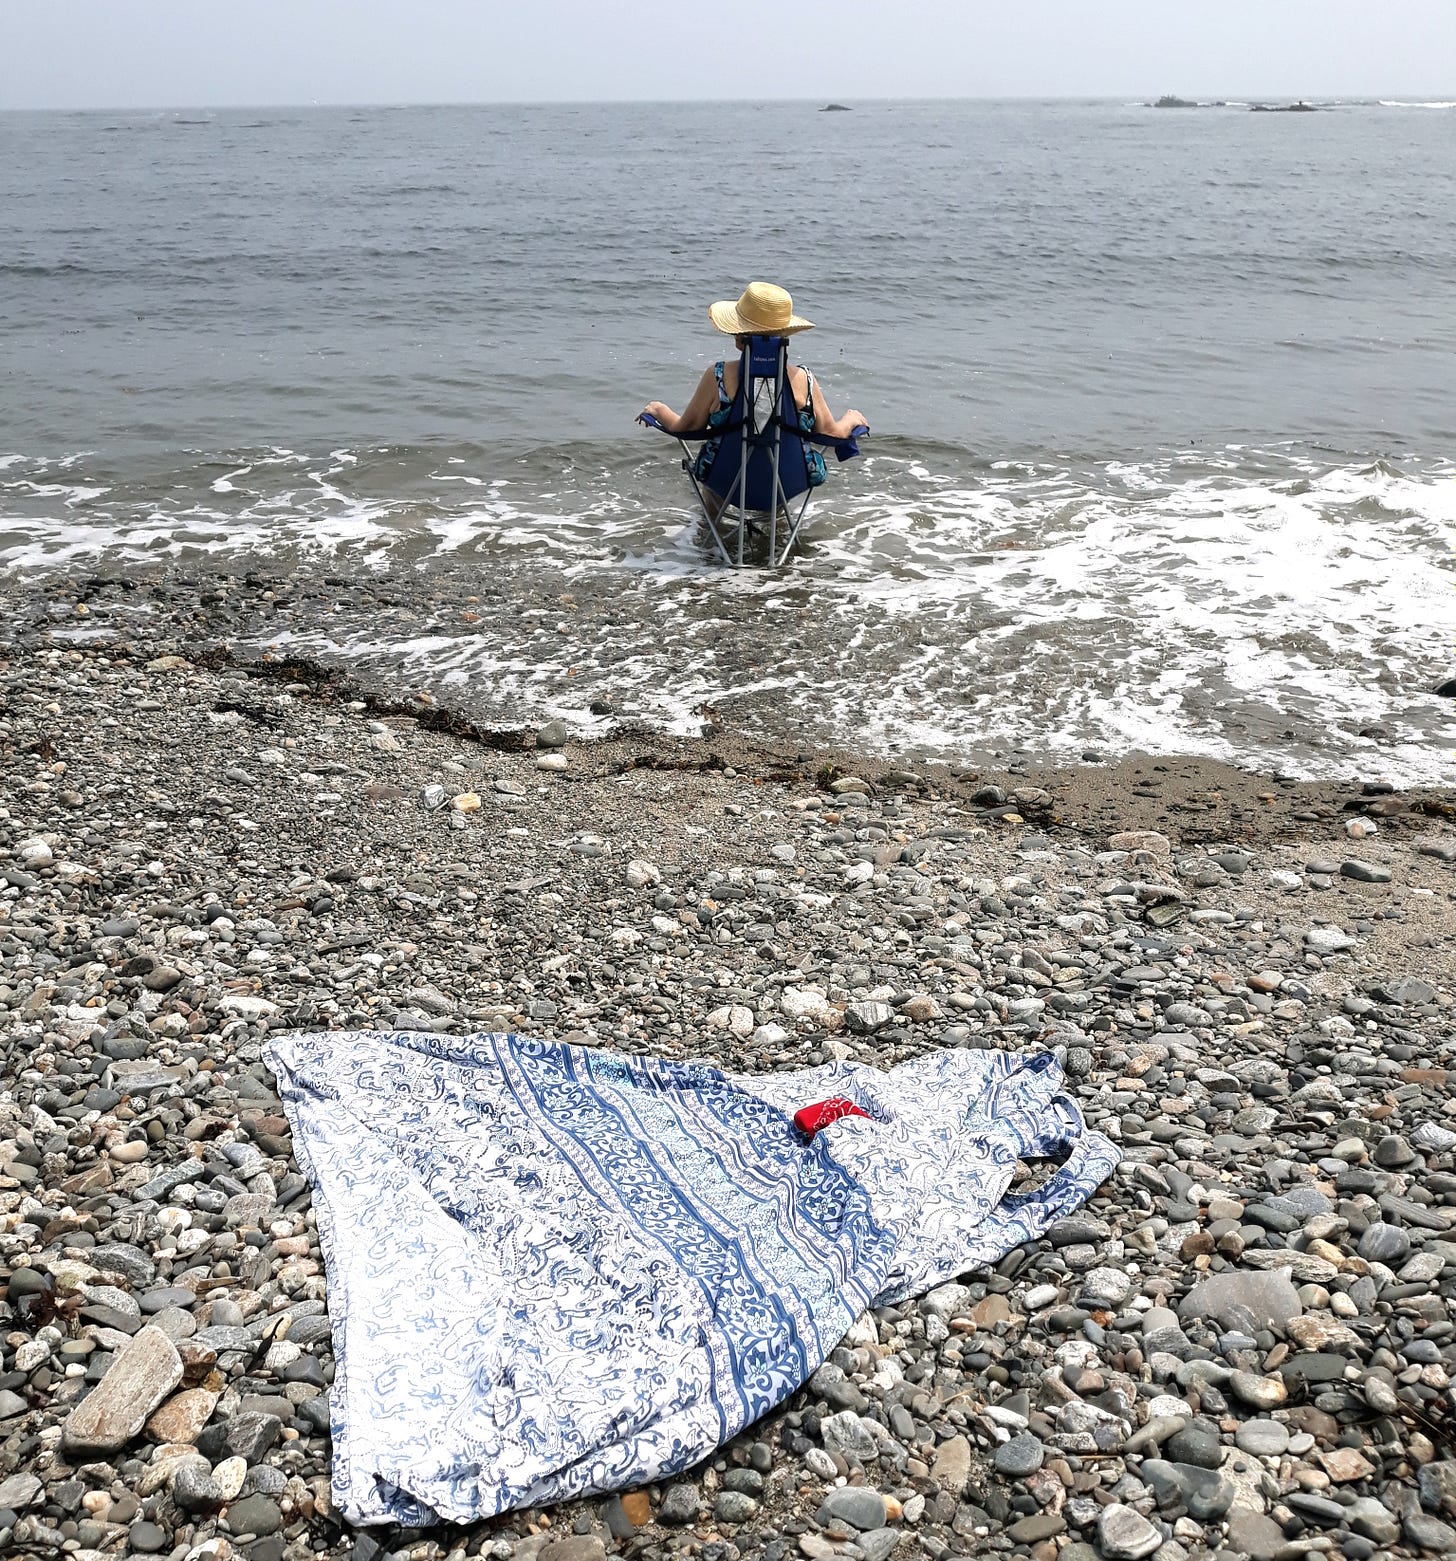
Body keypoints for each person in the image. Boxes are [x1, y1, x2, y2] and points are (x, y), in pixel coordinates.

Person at [640, 283, 866, 499]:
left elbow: (687, 428)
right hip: (788, 482)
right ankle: (776, 522)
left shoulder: (717, 376)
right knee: (783, 459)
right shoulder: (804, 380)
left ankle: (708, 526)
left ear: (739, 336)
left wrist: (659, 410)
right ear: (785, 334)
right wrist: (850, 419)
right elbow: (831, 434)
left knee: (713, 463)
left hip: (725, 481)